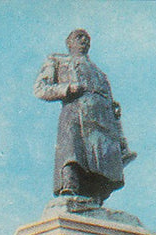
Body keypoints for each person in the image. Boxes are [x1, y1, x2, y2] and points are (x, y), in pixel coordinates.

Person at [34, 29, 135, 204]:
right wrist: (67, 88)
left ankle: (94, 200)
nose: (84, 40)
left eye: (87, 38)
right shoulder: (58, 61)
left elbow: (112, 107)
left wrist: (121, 137)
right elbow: (40, 89)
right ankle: (70, 188)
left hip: (101, 121)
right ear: (69, 43)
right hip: (75, 113)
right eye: (79, 37)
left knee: (100, 164)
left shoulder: (101, 74)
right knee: (72, 153)